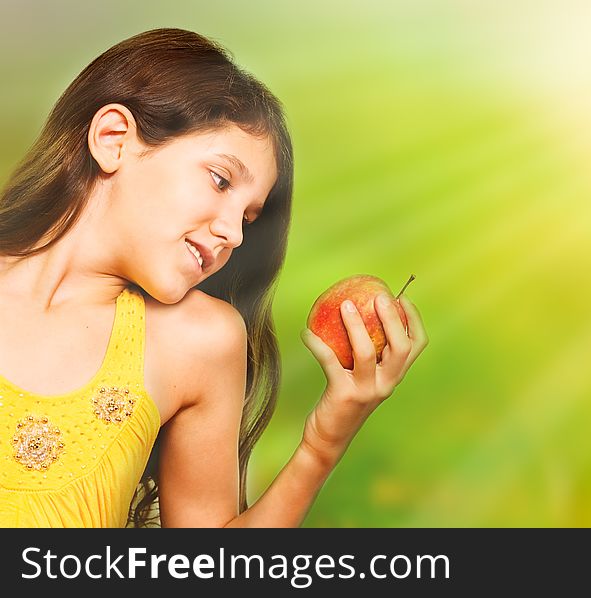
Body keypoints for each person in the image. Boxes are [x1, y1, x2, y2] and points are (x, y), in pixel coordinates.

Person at [0, 28, 428, 527]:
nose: (233, 234)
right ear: (113, 139)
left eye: (248, 218)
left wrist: (324, 439)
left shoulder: (199, 342)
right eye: (221, 180)